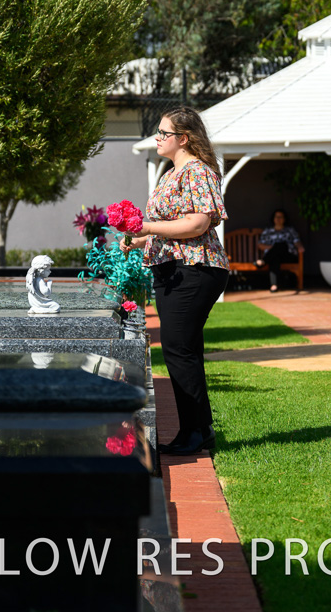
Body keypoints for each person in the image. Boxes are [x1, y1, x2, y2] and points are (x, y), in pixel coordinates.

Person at [121, 107, 229, 456]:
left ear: (183, 138)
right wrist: (140, 239)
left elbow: (198, 223)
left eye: (163, 133)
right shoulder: (171, 173)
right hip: (173, 268)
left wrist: (148, 227)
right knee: (184, 349)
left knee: (178, 348)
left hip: (195, 267)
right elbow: (170, 226)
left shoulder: (198, 171)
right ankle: (198, 430)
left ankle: (195, 432)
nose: (158, 137)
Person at [255, 209, 304, 292]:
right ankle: (274, 285)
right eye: (276, 217)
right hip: (273, 256)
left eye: (280, 217)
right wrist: (273, 248)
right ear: (273, 219)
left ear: (284, 219)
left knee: (281, 245)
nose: (278, 219)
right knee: (275, 257)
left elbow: (297, 241)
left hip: (288, 255)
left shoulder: (290, 230)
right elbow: (260, 245)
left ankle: (263, 261)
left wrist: (300, 247)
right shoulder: (267, 231)